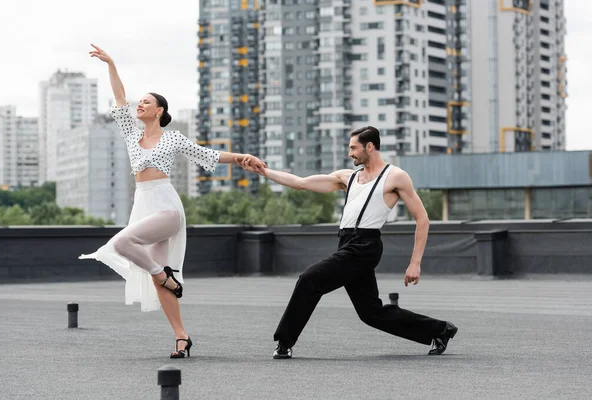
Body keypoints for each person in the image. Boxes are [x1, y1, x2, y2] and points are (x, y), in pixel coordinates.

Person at [79, 44, 265, 359]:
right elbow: (120, 98)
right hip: (143, 206)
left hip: (166, 206)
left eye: (147, 102)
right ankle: (181, 336)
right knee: (159, 277)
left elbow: (209, 154)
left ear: (160, 111)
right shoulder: (131, 135)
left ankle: (163, 275)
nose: (140, 105)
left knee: (122, 245)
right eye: (140, 102)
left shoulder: (173, 137)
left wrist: (242, 158)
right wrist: (111, 62)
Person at [236, 126, 458, 359]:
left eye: (353, 147)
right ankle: (441, 330)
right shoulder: (348, 177)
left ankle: (284, 342)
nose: (350, 153)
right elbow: (300, 182)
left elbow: (422, 219)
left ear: (369, 146)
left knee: (309, 279)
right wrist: (264, 171)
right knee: (371, 314)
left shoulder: (396, 177)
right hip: (346, 242)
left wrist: (415, 263)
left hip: (365, 246)